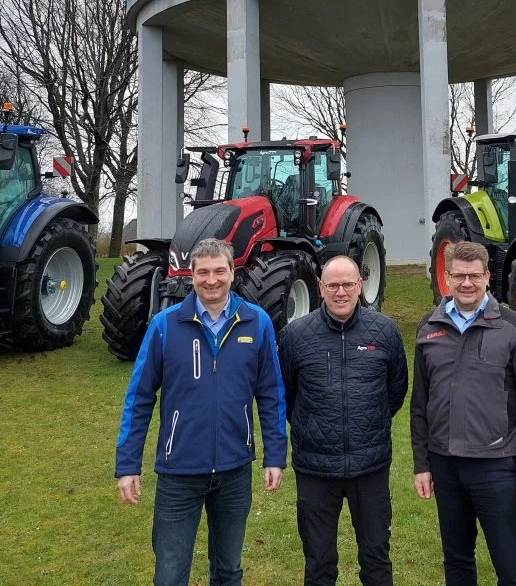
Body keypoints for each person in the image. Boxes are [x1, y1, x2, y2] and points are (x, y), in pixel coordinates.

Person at [115, 237, 287, 586]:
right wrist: (128, 464)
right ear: (191, 275)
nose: (212, 280)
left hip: (235, 470)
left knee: (228, 570)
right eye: (203, 272)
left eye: (219, 271)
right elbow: (139, 397)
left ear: (232, 272)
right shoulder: (165, 325)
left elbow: (271, 394)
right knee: (170, 573)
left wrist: (275, 456)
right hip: (178, 472)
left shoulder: (257, 323)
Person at [410, 240, 516, 586]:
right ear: (447, 277)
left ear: (488, 276)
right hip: (445, 464)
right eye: (459, 276)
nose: (467, 283)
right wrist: (422, 465)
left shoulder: (511, 326)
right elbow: (419, 405)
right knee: (457, 562)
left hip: (496, 464)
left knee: (511, 565)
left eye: (474, 275)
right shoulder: (430, 326)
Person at [278, 255, 409, 586]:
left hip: (370, 467)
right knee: (319, 562)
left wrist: (368, 422)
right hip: (316, 469)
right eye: (333, 285)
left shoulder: (385, 330)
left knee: (376, 558)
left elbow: (396, 391)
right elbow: (288, 395)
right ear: (320, 288)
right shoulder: (295, 336)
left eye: (348, 284)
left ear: (360, 285)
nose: (341, 292)